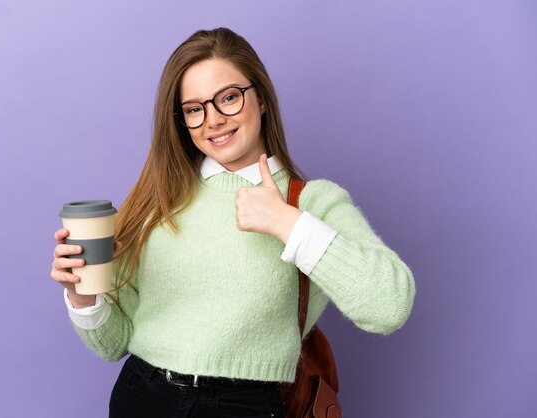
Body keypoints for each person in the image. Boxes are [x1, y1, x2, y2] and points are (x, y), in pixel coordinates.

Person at [50, 27, 415, 418]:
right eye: (194, 109)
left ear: (260, 98)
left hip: (245, 406)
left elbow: (389, 307)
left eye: (228, 98)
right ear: (181, 121)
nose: (214, 120)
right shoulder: (159, 201)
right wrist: (83, 297)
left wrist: (288, 224)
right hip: (143, 396)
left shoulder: (310, 202)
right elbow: (113, 343)